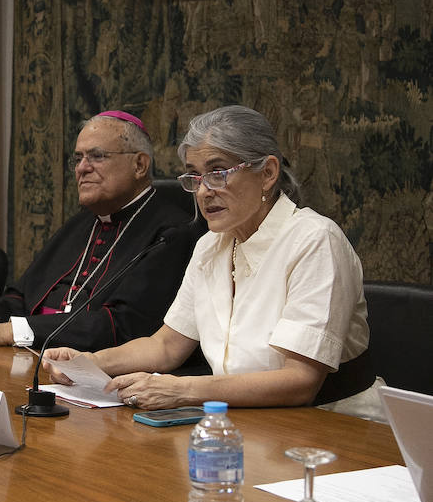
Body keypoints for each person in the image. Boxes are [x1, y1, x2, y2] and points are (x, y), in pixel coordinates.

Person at [45, 105, 382, 419]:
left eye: (218, 172)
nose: (204, 191)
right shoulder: (210, 246)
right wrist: (89, 362)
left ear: (267, 173)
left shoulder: (314, 240)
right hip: (243, 420)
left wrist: (181, 389)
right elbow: (165, 346)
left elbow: (300, 381)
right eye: (194, 176)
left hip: (334, 424)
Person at [0, 111, 200, 352]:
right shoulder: (81, 223)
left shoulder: (171, 232)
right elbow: (20, 296)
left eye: (97, 156)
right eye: (78, 158)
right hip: (29, 355)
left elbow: (124, 326)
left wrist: (14, 332)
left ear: (140, 165)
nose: (82, 168)